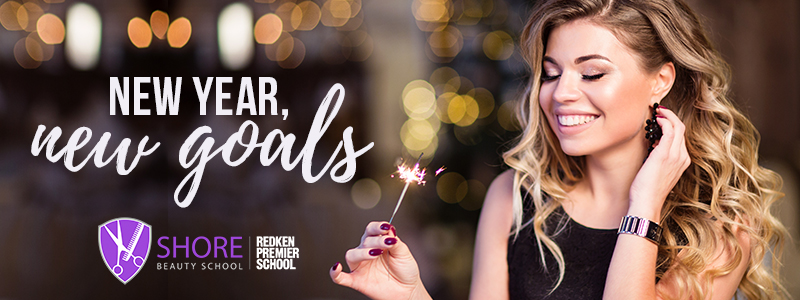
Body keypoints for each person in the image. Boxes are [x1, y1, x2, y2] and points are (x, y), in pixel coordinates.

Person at [330, 0, 789, 299]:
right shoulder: (512, 197)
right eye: (551, 73)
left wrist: (644, 203)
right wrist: (412, 297)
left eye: (591, 74)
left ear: (660, 81)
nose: (561, 93)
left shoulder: (718, 229)